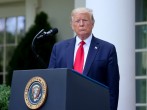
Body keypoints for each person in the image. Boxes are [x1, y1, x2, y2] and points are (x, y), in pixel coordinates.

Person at [48, 7, 119, 110]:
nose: (81, 24)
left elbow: (113, 88)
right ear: (72, 25)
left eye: (85, 20)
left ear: (92, 24)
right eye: (77, 21)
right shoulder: (59, 48)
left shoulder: (107, 49)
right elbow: (51, 81)